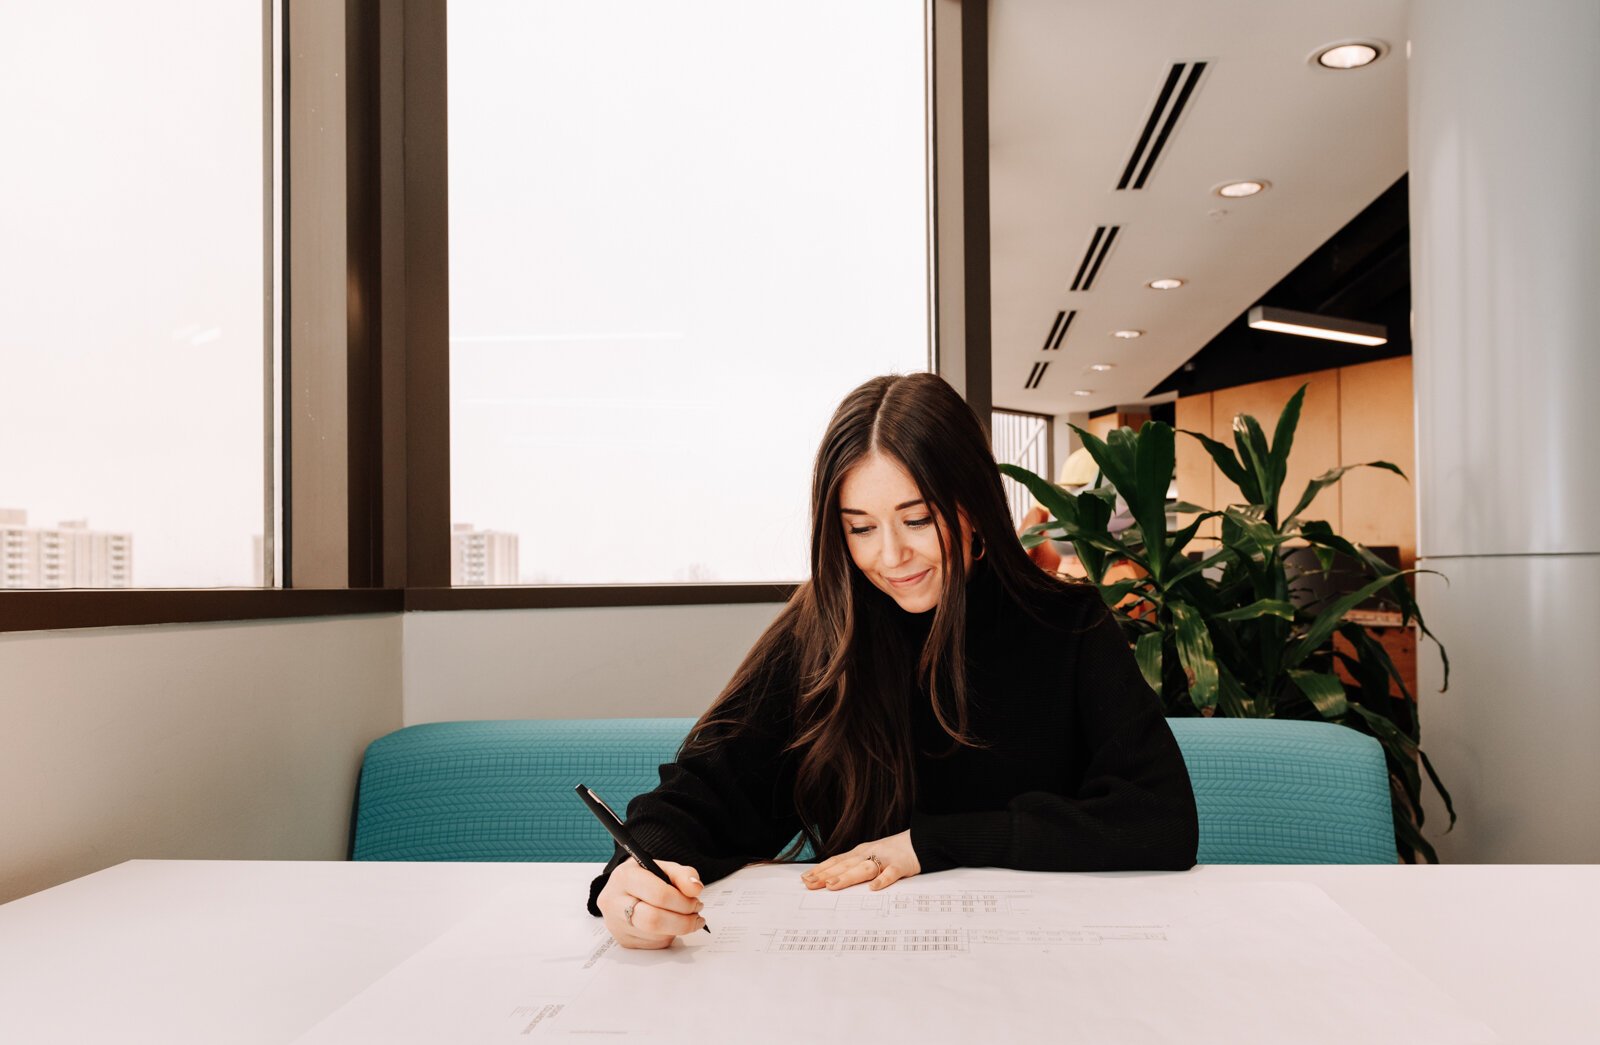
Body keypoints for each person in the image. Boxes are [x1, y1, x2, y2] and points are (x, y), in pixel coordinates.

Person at [589, 373, 1198, 949]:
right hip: (862, 962)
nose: (891, 556)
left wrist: (930, 844)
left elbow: (1161, 820)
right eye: (860, 529)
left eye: (917, 519)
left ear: (974, 505)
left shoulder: (1069, 624)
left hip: (1045, 953)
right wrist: (633, 878)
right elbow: (704, 794)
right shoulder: (824, 632)